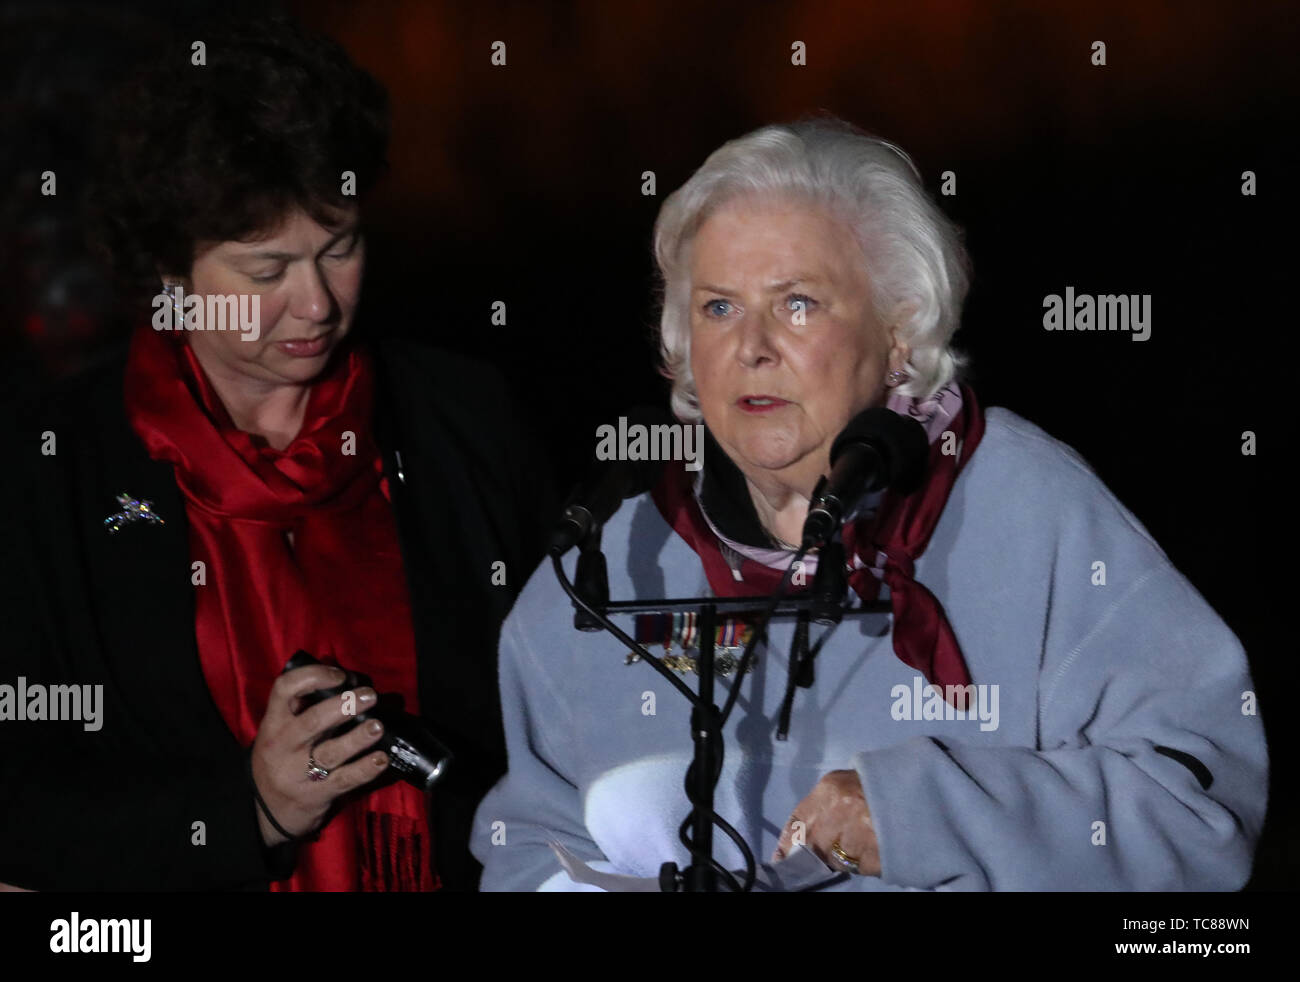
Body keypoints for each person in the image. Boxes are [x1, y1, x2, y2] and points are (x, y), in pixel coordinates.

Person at [470, 117, 1268, 891]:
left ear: (900, 331)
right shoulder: (606, 571)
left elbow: (1195, 817)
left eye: (797, 303)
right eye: (718, 307)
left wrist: (922, 817)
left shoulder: (1030, 508)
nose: (750, 346)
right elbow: (530, 850)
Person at [0, 13, 552, 891]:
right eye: (264, 273)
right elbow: (26, 808)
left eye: (341, 249)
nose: (317, 305)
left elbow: (555, 725)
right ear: (168, 274)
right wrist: (248, 812)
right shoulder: (53, 467)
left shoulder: (461, 419)